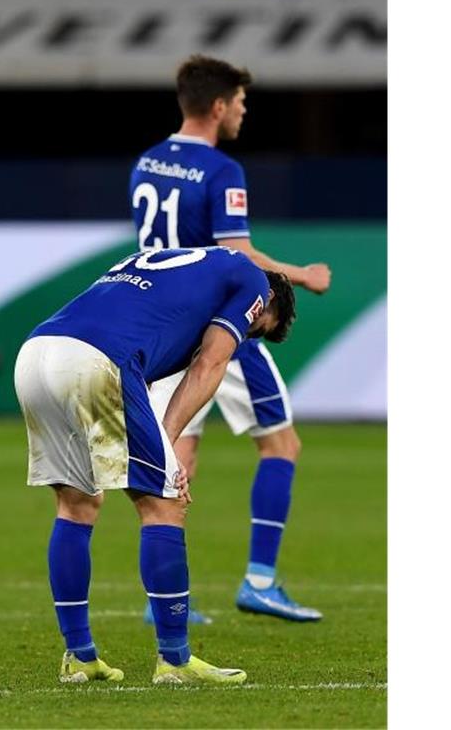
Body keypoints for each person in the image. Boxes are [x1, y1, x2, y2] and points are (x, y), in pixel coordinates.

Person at [15, 245, 296, 684]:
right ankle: (175, 660)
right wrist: (168, 441)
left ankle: (80, 656)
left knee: (77, 504)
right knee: (164, 505)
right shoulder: (254, 280)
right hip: (98, 359)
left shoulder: (169, 263)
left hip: (36, 353)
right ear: (269, 301)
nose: (246, 335)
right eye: (256, 328)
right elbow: (210, 363)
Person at [129, 54, 331, 623]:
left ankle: (163, 602)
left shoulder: (147, 162)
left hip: (164, 328)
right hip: (221, 326)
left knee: (178, 456)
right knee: (281, 445)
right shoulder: (221, 171)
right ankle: (260, 581)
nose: (244, 111)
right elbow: (237, 255)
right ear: (218, 106)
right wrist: (302, 276)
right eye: (241, 102)